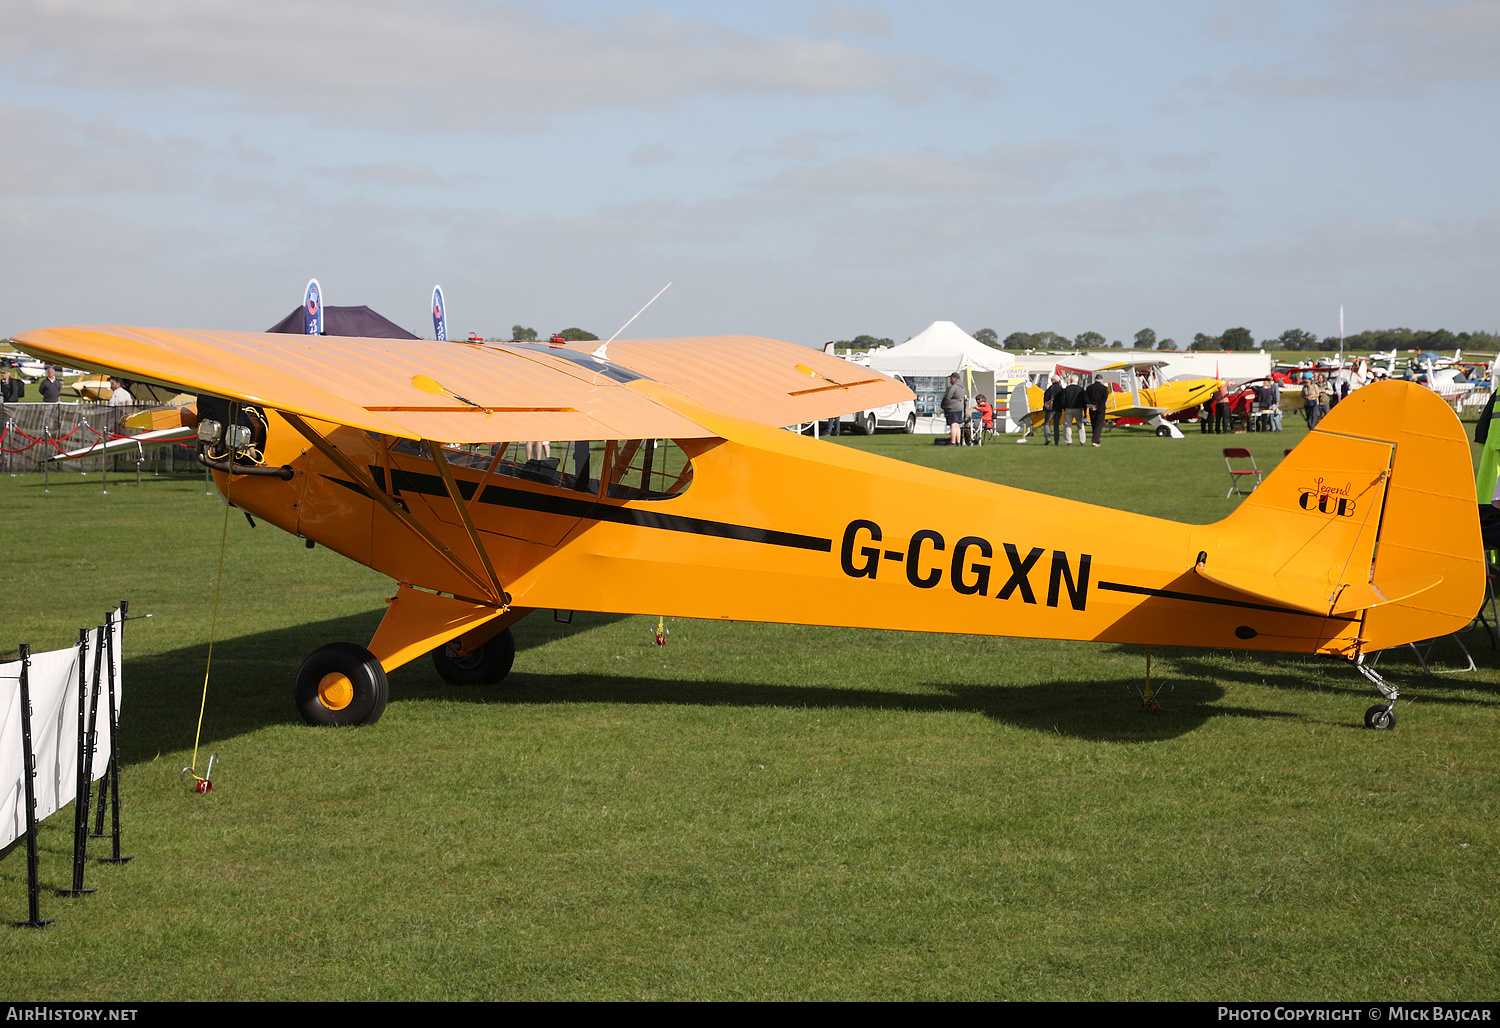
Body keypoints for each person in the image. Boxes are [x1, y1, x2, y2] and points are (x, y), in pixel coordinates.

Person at [941, 373, 967, 446]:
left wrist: (943, 405)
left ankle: (952, 442)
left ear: (954, 378)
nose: (950, 380)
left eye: (951, 378)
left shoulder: (953, 387)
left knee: (953, 425)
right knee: (957, 425)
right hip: (959, 407)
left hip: (952, 407)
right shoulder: (962, 387)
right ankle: (958, 441)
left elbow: (947, 397)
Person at [1084, 374, 1110, 447]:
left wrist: (1091, 405)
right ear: (1101, 380)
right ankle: (1095, 441)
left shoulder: (1089, 388)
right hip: (1100, 408)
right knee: (1099, 424)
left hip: (1092, 408)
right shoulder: (1104, 389)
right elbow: (1104, 399)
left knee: (1094, 423)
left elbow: (1085, 397)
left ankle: (1095, 439)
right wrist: (1098, 406)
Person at [1061, 374, 1086, 446]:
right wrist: (1084, 409)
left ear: (1071, 380)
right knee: (1080, 425)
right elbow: (1084, 400)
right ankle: (1082, 441)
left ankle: (1068, 441)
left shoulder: (1067, 389)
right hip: (1078, 408)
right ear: (1077, 381)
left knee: (1067, 425)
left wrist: (1064, 407)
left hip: (1068, 408)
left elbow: (1063, 400)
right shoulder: (1081, 389)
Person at [1042, 377, 1065, 445]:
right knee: (1056, 425)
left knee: (1046, 423)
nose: (1051, 380)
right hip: (1059, 409)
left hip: (1051, 409)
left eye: (1052, 379)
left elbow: (1046, 397)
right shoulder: (1061, 389)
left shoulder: (1050, 388)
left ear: (1054, 380)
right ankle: (1057, 441)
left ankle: (1048, 437)